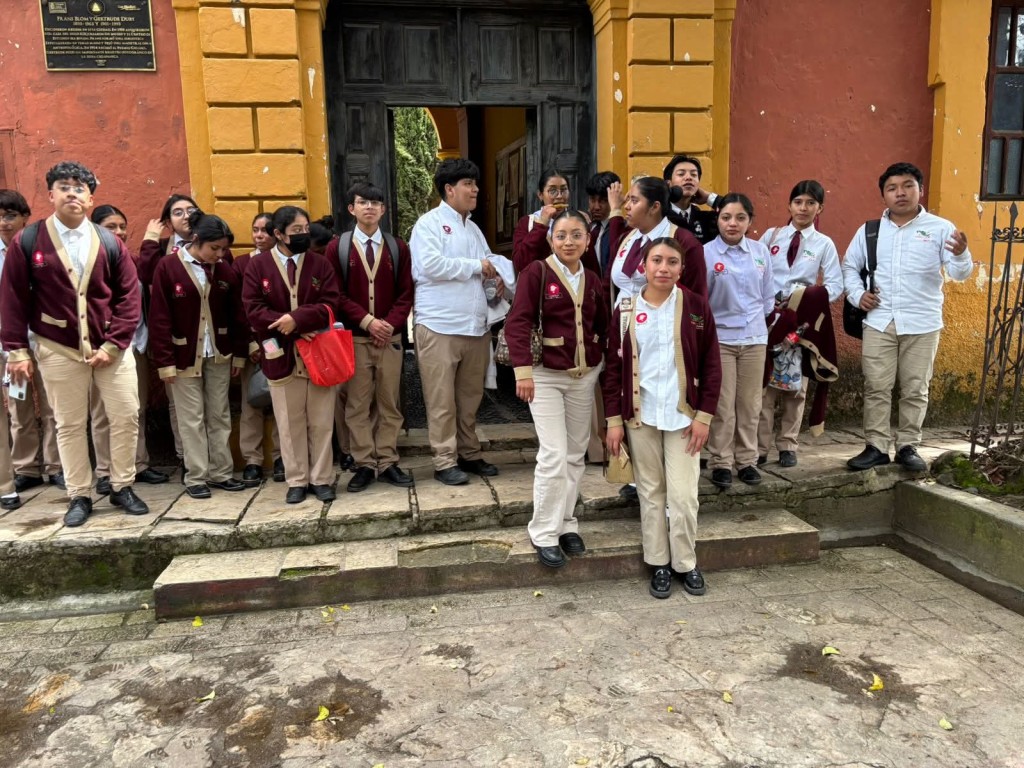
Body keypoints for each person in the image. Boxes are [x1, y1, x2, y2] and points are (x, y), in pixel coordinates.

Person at [0, 161, 147, 526]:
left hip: (112, 348)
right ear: (51, 195)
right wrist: (16, 350)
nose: (72, 194)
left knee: (126, 415)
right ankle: (79, 494)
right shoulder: (28, 241)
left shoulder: (110, 242)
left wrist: (114, 344)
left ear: (90, 198)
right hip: (57, 346)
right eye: (64, 187)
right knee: (68, 423)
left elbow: (129, 298)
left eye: (79, 188)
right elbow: (13, 299)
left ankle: (122, 485)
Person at [604, 238, 722, 598]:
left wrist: (704, 416)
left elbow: (711, 364)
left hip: (684, 416)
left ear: (681, 269)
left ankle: (685, 562)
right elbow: (614, 369)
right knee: (651, 492)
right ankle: (658, 563)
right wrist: (613, 420)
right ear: (643, 266)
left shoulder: (696, 307)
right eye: (656, 260)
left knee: (683, 496)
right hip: (640, 416)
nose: (663, 268)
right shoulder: (626, 309)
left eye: (672, 261)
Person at [843, 162, 973, 472]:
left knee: (916, 388)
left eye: (907, 185)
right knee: (876, 386)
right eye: (892, 188)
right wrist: (857, 295)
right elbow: (849, 267)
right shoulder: (870, 230)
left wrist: (960, 254)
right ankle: (875, 447)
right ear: (884, 195)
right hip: (879, 320)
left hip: (922, 321)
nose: (900, 193)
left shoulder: (941, 228)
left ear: (920, 190)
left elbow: (960, 274)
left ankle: (907, 446)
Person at [506, 209, 607, 568]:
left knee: (575, 453)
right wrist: (522, 372)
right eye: (561, 235)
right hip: (545, 376)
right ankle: (544, 532)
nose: (568, 242)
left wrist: (601, 360)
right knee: (553, 453)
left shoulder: (592, 279)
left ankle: (566, 522)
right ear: (550, 239)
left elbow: (603, 324)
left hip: (583, 376)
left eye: (576, 235)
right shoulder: (536, 272)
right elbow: (517, 322)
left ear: (587, 240)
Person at [409, 158, 502, 486]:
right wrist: (476, 266)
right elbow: (430, 266)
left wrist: (495, 280)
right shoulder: (429, 224)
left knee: (469, 398)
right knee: (441, 400)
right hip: (439, 326)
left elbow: (488, 265)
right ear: (449, 189)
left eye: (475, 184)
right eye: (468, 184)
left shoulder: (473, 229)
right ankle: (444, 460)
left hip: (475, 327)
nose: (475, 190)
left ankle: (469, 452)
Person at [242, 205, 342, 504]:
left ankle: (322, 478)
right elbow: (254, 310)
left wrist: (298, 319)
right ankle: (297, 480)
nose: (303, 235)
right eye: (296, 230)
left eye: (306, 229)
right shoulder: (258, 266)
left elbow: (330, 303)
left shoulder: (320, 264)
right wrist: (292, 327)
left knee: (321, 421)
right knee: (288, 422)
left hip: (319, 354)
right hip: (280, 355)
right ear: (278, 234)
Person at [150, 211, 248, 498]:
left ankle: (221, 473)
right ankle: (196, 477)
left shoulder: (225, 270)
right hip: (182, 356)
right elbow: (159, 317)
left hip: (219, 353)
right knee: (190, 418)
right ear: (196, 239)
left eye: (223, 249)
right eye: (214, 248)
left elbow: (238, 314)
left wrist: (239, 354)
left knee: (219, 414)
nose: (219, 254)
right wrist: (165, 362)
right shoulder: (168, 267)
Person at [328, 182, 415, 492]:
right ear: (351, 208)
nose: (369, 207)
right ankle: (364, 462)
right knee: (357, 404)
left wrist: (389, 324)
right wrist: (368, 322)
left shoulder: (397, 247)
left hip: (389, 339)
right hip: (355, 339)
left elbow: (406, 292)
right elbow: (335, 294)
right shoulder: (338, 248)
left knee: (389, 402)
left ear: (383, 209)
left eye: (375, 203)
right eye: (363, 202)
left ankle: (388, 460)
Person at [756, 181, 843, 468]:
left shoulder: (823, 244)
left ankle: (788, 445)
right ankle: (760, 447)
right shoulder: (771, 236)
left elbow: (835, 285)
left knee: (796, 387)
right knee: (766, 385)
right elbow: (756, 270)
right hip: (770, 320)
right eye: (798, 202)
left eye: (810, 203)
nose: (803, 208)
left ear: (820, 208)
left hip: (801, 324)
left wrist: (807, 300)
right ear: (789, 205)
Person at [90, 204, 169, 495]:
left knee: (135, 408)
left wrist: (150, 241)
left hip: (135, 344)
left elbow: (148, 276)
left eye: (122, 226)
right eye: (111, 227)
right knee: (102, 413)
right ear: (95, 229)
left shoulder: (130, 260)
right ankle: (104, 471)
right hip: (101, 348)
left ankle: (138, 464)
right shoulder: (89, 262)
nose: (119, 232)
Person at [704, 193, 775, 489]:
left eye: (740, 218)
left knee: (750, 403)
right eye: (726, 217)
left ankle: (746, 460)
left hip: (754, 338)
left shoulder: (760, 252)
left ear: (749, 221)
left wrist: (755, 321)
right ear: (718, 219)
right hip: (720, 339)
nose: (732, 223)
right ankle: (721, 461)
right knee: (723, 404)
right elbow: (702, 300)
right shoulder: (706, 254)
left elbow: (768, 296)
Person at [0, 189, 63, 494]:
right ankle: (26, 467)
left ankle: (57, 466)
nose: (3, 222)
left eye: (10, 216)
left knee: (53, 406)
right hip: (10, 347)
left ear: (25, 217)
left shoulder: (39, 249)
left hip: (45, 340)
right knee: (19, 406)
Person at [139, 194, 201, 473]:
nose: (186, 216)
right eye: (177, 212)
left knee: (211, 403)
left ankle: (210, 459)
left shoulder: (210, 242)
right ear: (168, 221)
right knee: (178, 403)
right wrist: (151, 239)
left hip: (207, 335)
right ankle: (186, 457)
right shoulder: (163, 247)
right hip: (172, 337)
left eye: (190, 210)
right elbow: (145, 275)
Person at [235, 212, 284, 486]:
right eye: (255, 230)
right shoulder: (242, 263)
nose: (259, 235)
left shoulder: (283, 263)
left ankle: (281, 457)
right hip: (251, 343)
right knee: (251, 401)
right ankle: (252, 460)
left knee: (280, 402)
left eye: (265, 230)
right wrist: (250, 342)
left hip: (278, 341)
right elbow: (237, 307)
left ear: (276, 233)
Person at [609, 176, 707, 309]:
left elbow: (697, 298)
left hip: (663, 319)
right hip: (622, 318)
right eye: (628, 200)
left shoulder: (684, 242)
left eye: (634, 201)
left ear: (655, 207)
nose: (626, 206)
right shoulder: (625, 239)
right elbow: (608, 285)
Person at [512, 170, 600, 276]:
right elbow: (519, 263)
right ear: (540, 195)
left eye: (564, 190)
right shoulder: (527, 223)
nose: (559, 196)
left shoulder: (578, 221)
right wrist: (541, 225)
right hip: (539, 284)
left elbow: (591, 266)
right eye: (552, 191)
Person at [663, 155, 722, 244]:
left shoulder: (704, 219)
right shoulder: (659, 215)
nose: (689, 178)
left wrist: (709, 198)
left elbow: (735, 212)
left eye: (694, 175)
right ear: (668, 183)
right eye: (681, 174)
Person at [584, 171, 626, 278]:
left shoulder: (624, 228)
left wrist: (616, 209)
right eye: (592, 200)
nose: (596, 207)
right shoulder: (588, 227)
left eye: (603, 201)